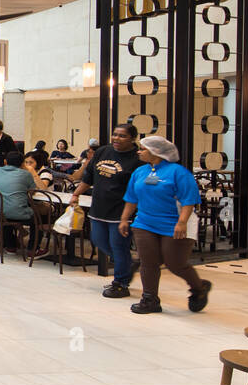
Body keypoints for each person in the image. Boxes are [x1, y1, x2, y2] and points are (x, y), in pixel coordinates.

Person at [119, 135, 210, 315]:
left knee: (175, 263)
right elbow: (131, 198)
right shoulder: (140, 172)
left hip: (175, 223)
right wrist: (124, 219)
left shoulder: (178, 172)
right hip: (144, 223)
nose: (139, 151)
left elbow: (189, 200)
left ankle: (199, 288)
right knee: (148, 262)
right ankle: (150, 299)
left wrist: (182, 222)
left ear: (156, 152)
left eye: (143, 149)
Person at [71, 123, 140, 299]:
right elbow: (89, 177)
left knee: (119, 245)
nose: (116, 138)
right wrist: (76, 194)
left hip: (121, 210)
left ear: (132, 138)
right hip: (98, 208)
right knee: (98, 240)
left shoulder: (137, 159)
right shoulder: (103, 152)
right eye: (115, 134)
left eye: (122, 136)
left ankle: (120, 283)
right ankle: (125, 265)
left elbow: (137, 188)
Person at [0, 150, 33, 223]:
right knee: (37, 215)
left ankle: (10, 233)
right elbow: (32, 192)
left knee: (7, 211)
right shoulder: (26, 174)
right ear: (23, 163)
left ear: (5, 161)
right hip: (18, 214)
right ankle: (35, 234)